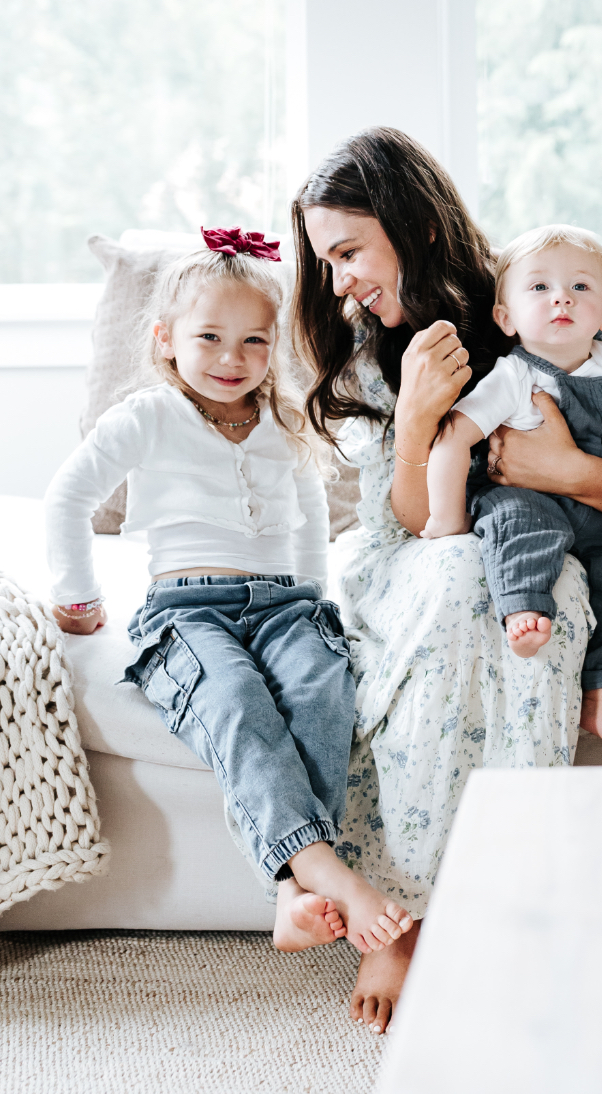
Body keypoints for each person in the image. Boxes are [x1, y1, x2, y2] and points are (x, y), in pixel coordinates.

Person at [291, 127, 602, 1031]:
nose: (339, 283)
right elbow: (402, 524)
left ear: (413, 226)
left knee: (553, 593)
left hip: (544, 539)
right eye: (324, 263)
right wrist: (414, 421)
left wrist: (556, 469)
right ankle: (399, 922)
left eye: (348, 253)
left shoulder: (553, 286)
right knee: (455, 578)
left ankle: (513, 894)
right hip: (415, 552)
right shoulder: (372, 347)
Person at [44, 230, 414, 957]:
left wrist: (312, 599)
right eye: (209, 337)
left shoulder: (283, 420)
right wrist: (78, 596)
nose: (229, 358)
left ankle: (290, 892)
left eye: (251, 341)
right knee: (236, 700)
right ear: (165, 339)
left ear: (272, 345)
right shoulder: (148, 416)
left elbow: (310, 516)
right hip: (186, 611)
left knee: (322, 692)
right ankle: (326, 873)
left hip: (284, 605)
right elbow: (69, 496)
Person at [423, 223, 602, 759]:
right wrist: (446, 521)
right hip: (520, 497)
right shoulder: (511, 376)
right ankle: (524, 608)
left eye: (580, 287)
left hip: (589, 506)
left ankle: (601, 697)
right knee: (525, 528)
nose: (561, 296)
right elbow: (451, 439)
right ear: (505, 318)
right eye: (539, 288)